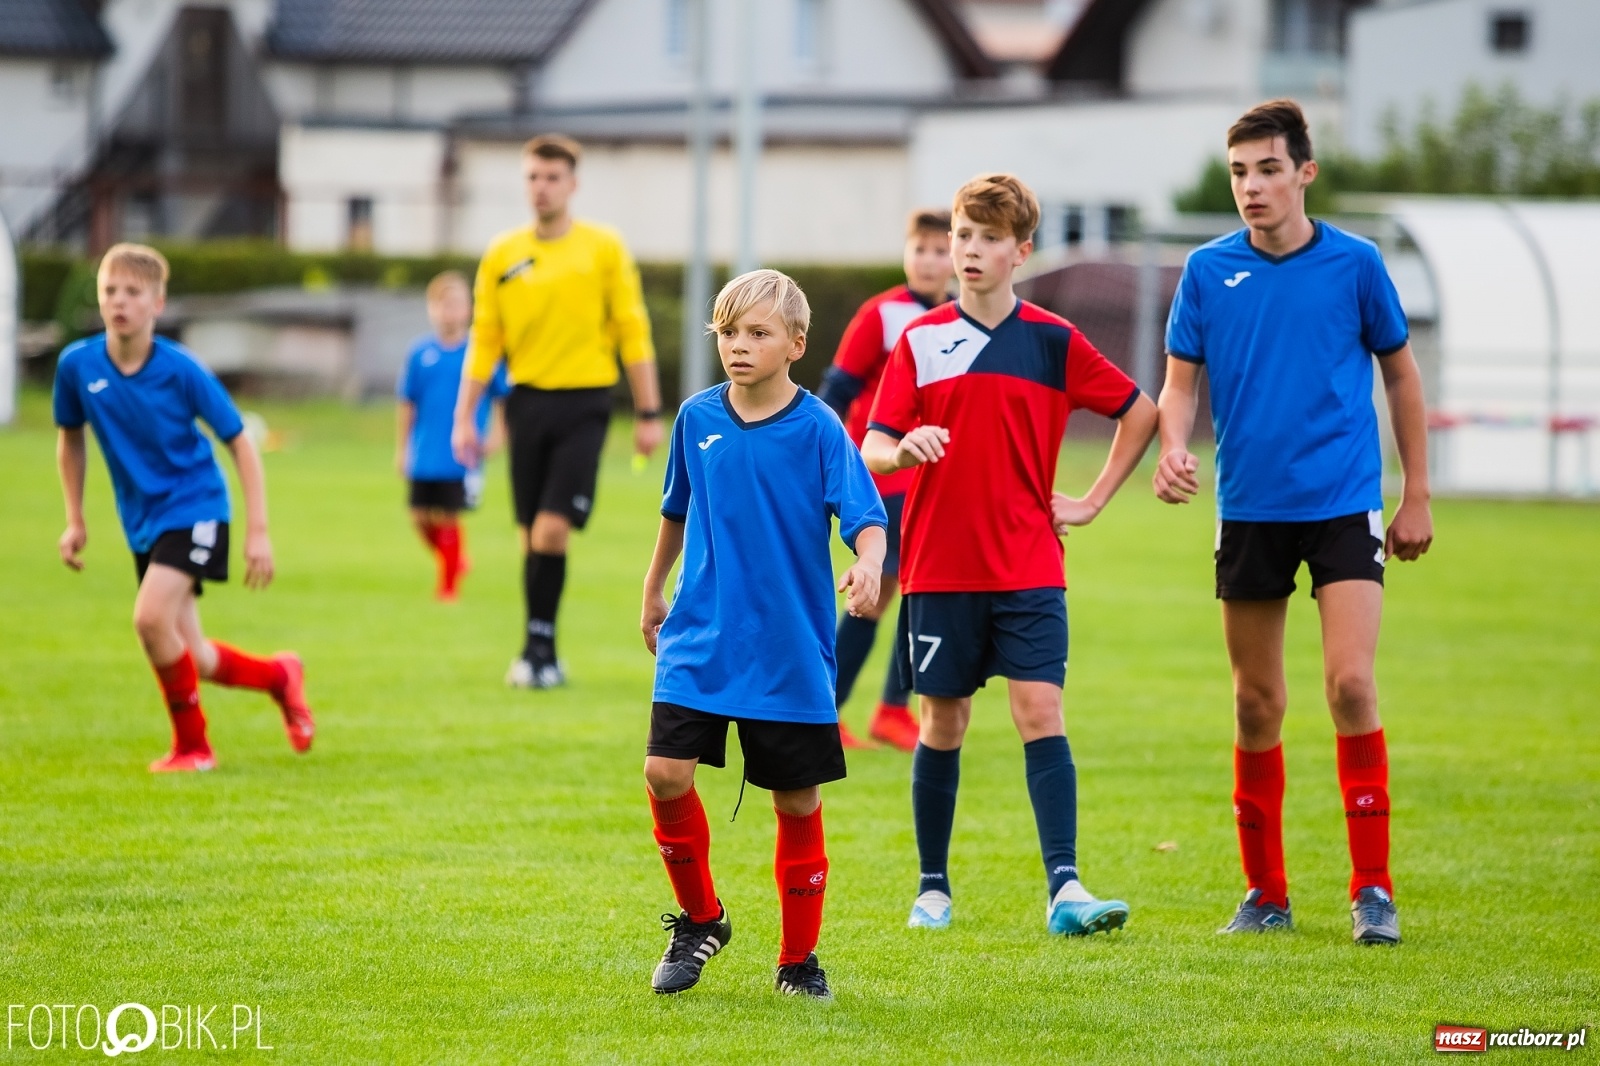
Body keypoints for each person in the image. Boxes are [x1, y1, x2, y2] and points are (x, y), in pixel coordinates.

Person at [1154, 99, 1432, 946]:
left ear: (1305, 173)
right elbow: (1178, 385)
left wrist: (1415, 492)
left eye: (1268, 169)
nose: (1251, 187)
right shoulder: (1206, 272)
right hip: (1249, 511)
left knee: (1350, 684)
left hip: (1346, 503)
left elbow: (1403, 378)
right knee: (1256, 703)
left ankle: (1372, 890)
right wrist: (1172, 446)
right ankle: (1265, 894)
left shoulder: (1356, 264)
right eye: (1239, 172)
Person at [861, 174, 1158, 935]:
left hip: (1029, 564)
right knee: (943, 721)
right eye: (963, 234)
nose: (969, 250)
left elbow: (1140, 411)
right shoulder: (920, 343)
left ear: (1021, 251)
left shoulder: (1054, 341)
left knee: (1040, 711)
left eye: (989, 238)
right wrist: (904, 449)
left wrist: (1090, 500)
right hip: (938, 566)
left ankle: (1066, 888)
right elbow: (872, 444)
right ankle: (933, 889)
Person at [640, 270, 887, 999]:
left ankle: (798, 962)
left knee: (797, 801)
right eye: (728, 333)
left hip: (787, 646)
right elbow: (676, 509)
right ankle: (700, 920)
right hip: (699, 634)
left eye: (757, 334)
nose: (738, 347)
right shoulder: (696, 416)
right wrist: (654, 587)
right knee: (663, 772)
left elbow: (866, 517)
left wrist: (870, 567)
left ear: (796, 346)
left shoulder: (817, 428)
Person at [53, 243, 314, 772]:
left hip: (196, 507)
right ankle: (279, 676)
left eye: (132, 292)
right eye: (109, 290)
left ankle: (194, 748)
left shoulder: (181, 369)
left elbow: (240, 442)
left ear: (158, 302)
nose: (118, 301)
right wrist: (75, 518)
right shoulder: (77, 366)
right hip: (143, 521)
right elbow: (70, 439)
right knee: (194, 655)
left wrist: (257, 531)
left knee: (150, 620)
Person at [453, 134, 664, 689]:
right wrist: (463, 417)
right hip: (526, 405)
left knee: (550, 531)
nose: (541, 188)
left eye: (552, 178)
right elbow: (484, 340)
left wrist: (648, 412)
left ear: (572, 184)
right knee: (530, 538)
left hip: (585, 405)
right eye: (532, 177)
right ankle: (539, 650)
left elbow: (631, 329)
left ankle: (539, 650)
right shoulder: (502, 254)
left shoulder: (603, 247)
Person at [816, 209, 953, 752]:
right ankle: (830, 710)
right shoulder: (881, 314)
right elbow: (835, 391)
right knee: (881, 596)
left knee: (916, 595)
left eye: (938, 250)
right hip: (883, 477)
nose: (928, 260)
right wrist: (823, 462)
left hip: (936, 482)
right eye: (918, 249)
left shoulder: (961, 318)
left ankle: (890, 710)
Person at [394, 271, 509, 601]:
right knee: (419, 517)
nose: (450, 311)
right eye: (443, 304)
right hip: (424, 449)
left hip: (461, 451)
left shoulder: (480, 352)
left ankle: (448, 588)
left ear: (468, 309)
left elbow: (502, 396)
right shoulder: (420, 353)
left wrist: (498, 435)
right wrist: (402, 449)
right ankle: (455, 560)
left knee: (448, 516)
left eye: (457, 304)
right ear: (432, 309)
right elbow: (407, 403)